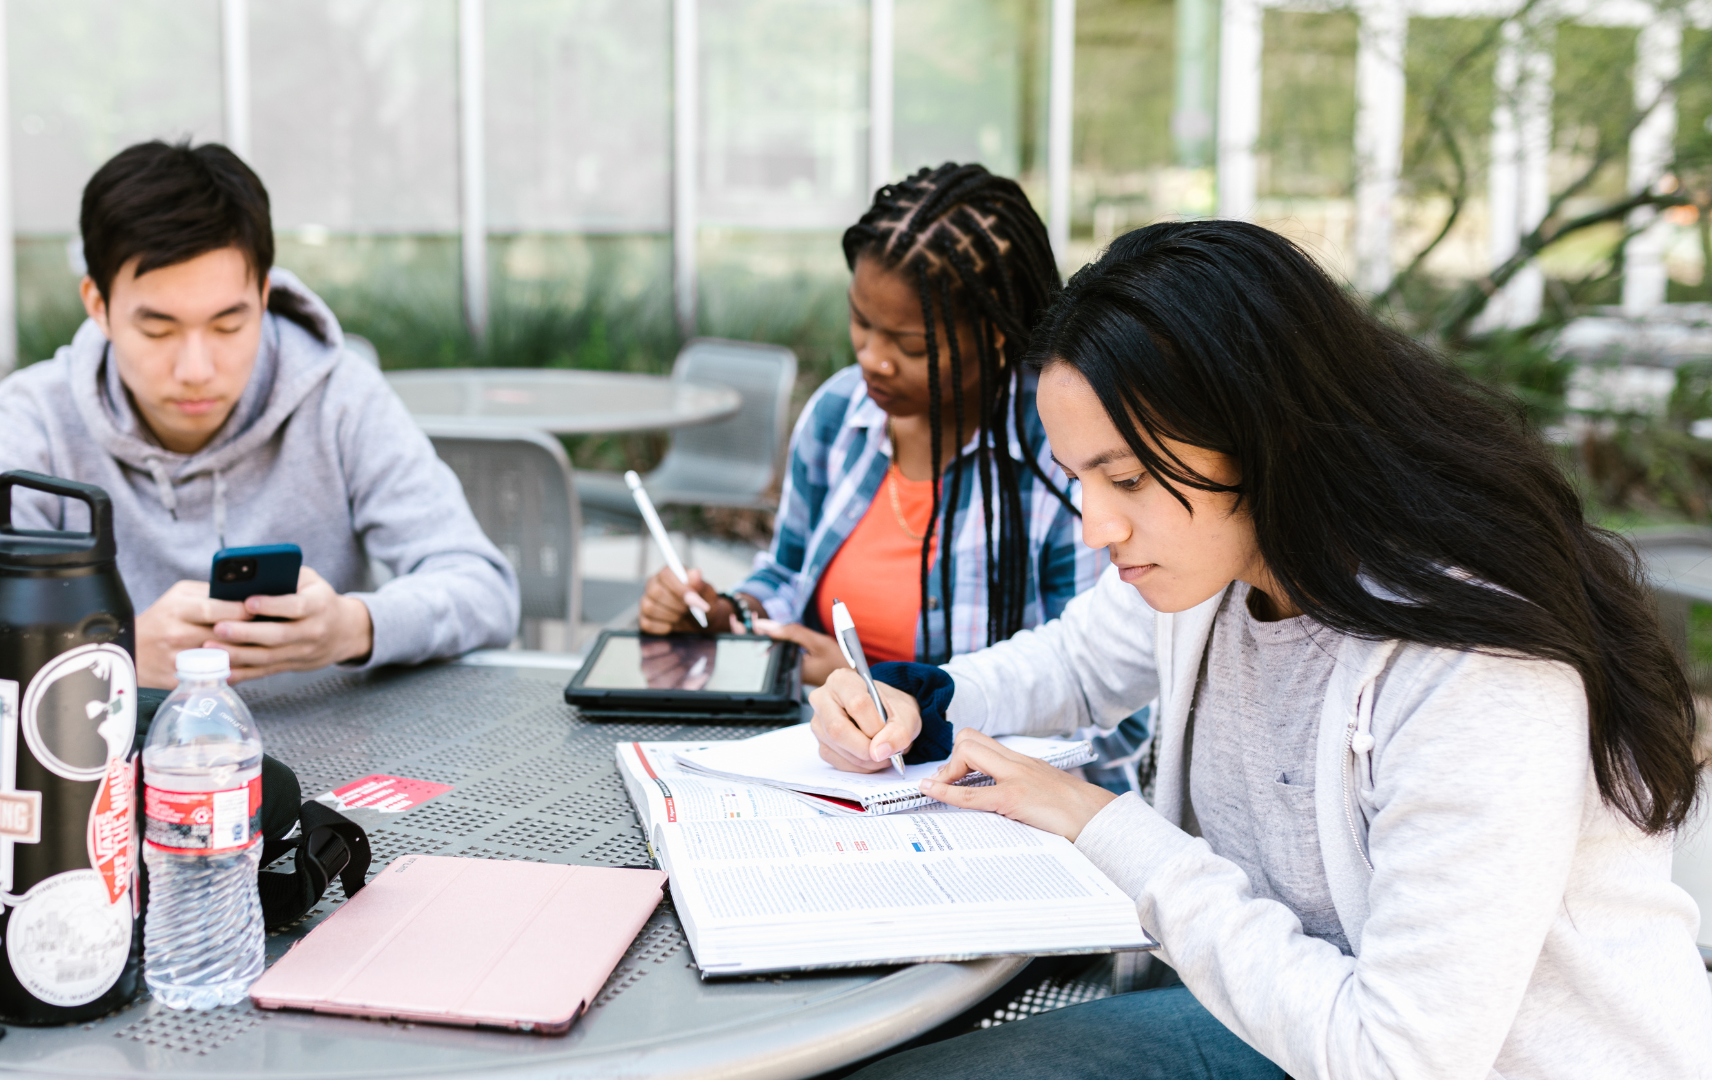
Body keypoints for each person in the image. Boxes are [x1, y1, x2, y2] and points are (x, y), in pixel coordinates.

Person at [811, 220, 1712, 1079]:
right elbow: (1073, 666)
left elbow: (1396, 1061)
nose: (1095, 526)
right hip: (1289, 1029)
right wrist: (913, 704)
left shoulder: (1475, 670)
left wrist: (1103, 825)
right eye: (1078, 477)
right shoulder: (1223, 561)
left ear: (1265, 433)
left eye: (1125, 477)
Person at [0, 141, 518, 688]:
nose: (196, 367)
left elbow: (483, 587)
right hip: (108, 775)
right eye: (158, 328)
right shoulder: (38, 418)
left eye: (228, 323)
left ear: (265, 294)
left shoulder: (340, 397)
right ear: (98, 304)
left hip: (331, 770)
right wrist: (113, 652)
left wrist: (353, 627)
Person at [638, 163, 1144, 789]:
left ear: (992, 334)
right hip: (837, 777)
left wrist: (885, 689)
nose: (872, 359)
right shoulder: (837, 417)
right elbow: (789, 573)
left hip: (1002, 806)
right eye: (861, 323)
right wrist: (730, 617)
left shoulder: (1060, 449)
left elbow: (1107, 700)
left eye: (909, 345)